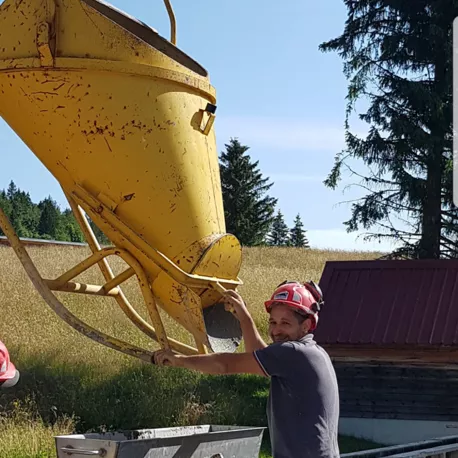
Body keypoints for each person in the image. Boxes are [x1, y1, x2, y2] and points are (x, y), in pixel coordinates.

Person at [153, 280, 340, 458]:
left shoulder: (293, 353)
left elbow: (224, 364)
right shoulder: (312, 352)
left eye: (285, 323)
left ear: (305, 326)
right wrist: (243, 317)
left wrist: (179, 361)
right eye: (272, 322)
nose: (276, 331)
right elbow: (258, 355)